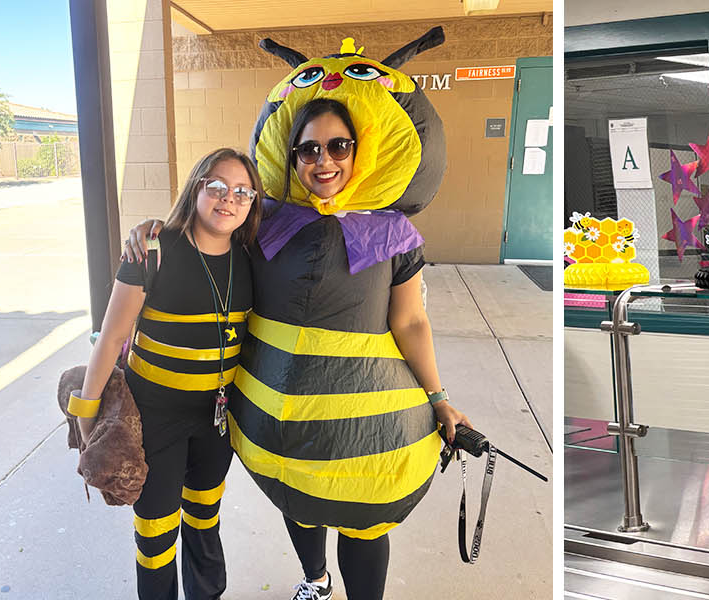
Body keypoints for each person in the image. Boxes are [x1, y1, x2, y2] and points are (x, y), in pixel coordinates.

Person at [127, 97, 473, 600]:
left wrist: (439, 399)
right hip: (280, 425)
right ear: (292, 158)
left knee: (363, 521)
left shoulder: (392, 230)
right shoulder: (264, 221)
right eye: (309, 150)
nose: (323, 160)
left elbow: (411, 320)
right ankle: (317, 580)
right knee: (299, 502)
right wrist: (155, 230)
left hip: (362, 425)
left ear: (358, 151)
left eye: (338, 146)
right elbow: (208, 232)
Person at [76, 148, 262, 600]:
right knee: (156, 534)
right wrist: (86, 416)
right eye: (217, 186)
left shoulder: (252, 258)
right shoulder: (153, 251)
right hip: (154, 419)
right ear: (196, 187)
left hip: (216, 421)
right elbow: (110, 338)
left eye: (243, 191)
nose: (229, 198)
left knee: (204, 519)